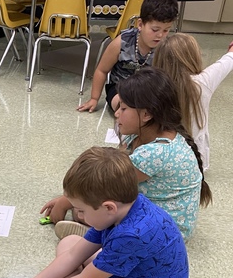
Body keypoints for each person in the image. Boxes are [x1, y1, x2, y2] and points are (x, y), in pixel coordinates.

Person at [4, 146, 188, 278]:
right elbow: (74, 255)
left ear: (108, 207)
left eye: (81, 211)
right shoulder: (123, 209)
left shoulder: (132, 235)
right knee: (70, 243)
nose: (79, 215)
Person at [43, 68, 210, 241]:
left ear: (146, 114)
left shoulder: (154, 154)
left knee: (85, 210)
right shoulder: (145, 133)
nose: (116, 113)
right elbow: (112, 169)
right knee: (85, 207)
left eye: (123, 108)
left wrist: (65, 201)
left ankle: (100, 238)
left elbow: (108, 184)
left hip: (165, 232)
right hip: (154, 214)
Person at [78, 0, 179, 114]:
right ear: (140, 24)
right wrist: (94, 98)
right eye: (155, 29)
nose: (160, 35)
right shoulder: (121, 42)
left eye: (166, 30)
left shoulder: (165, 47)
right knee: (126, 109)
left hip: (149, 91)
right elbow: (102, 70)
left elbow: (170, 79)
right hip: (119, 89)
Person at [153, 33, 233, 169]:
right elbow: (226, 62)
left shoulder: (154, 85)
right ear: (192, 58)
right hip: (196, 157)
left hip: (161, 155)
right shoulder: (203, 82)